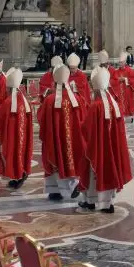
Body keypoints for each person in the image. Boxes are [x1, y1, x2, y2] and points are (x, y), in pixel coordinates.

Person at [78, 66, 131, 213]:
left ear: (95, 89)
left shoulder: (95, 106)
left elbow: (86, 128)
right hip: (112, 148)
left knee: (93, 171)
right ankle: (107, 203)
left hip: (97, 147)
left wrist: (81, 125)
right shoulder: (114, 105)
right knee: (109, 169)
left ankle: (91, 201)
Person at [40, 64, 83, 202]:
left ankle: (56, 190)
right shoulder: (76, 99)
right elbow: (83, 117)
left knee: (55, 158)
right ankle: (65, 186)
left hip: (55, 138)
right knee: (69, 159)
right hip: (73, 138)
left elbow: (41, 118)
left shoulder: (50, 100)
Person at [0, 68, 34, 190]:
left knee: (10, 153)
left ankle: (17, 176)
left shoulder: (8, 102)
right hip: (23, 135)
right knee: (21, 153)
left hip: (11, 135)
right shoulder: (24, 99)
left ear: (9, 88)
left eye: (6, 88)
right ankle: (18, 175)